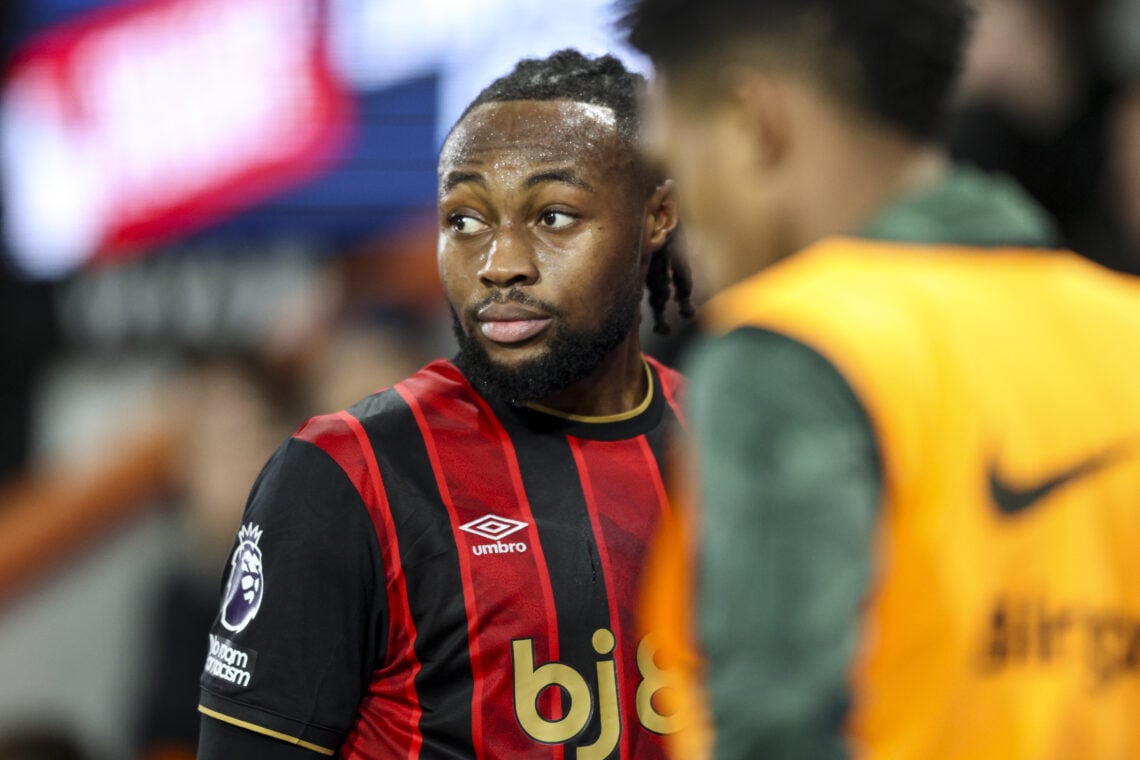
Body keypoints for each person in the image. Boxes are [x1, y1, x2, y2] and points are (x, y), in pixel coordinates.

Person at [621, 1, 1140, 758]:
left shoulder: (793, 351)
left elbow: (777, 732)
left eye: (674, 167)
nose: (673, 226)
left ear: (751, 123)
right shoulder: (1122, 326)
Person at [196, 49, 692, 758]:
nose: (500, 262)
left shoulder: (737, 450)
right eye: (464, 220)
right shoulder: (342, 477)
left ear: (656, 216)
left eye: (553, 216)